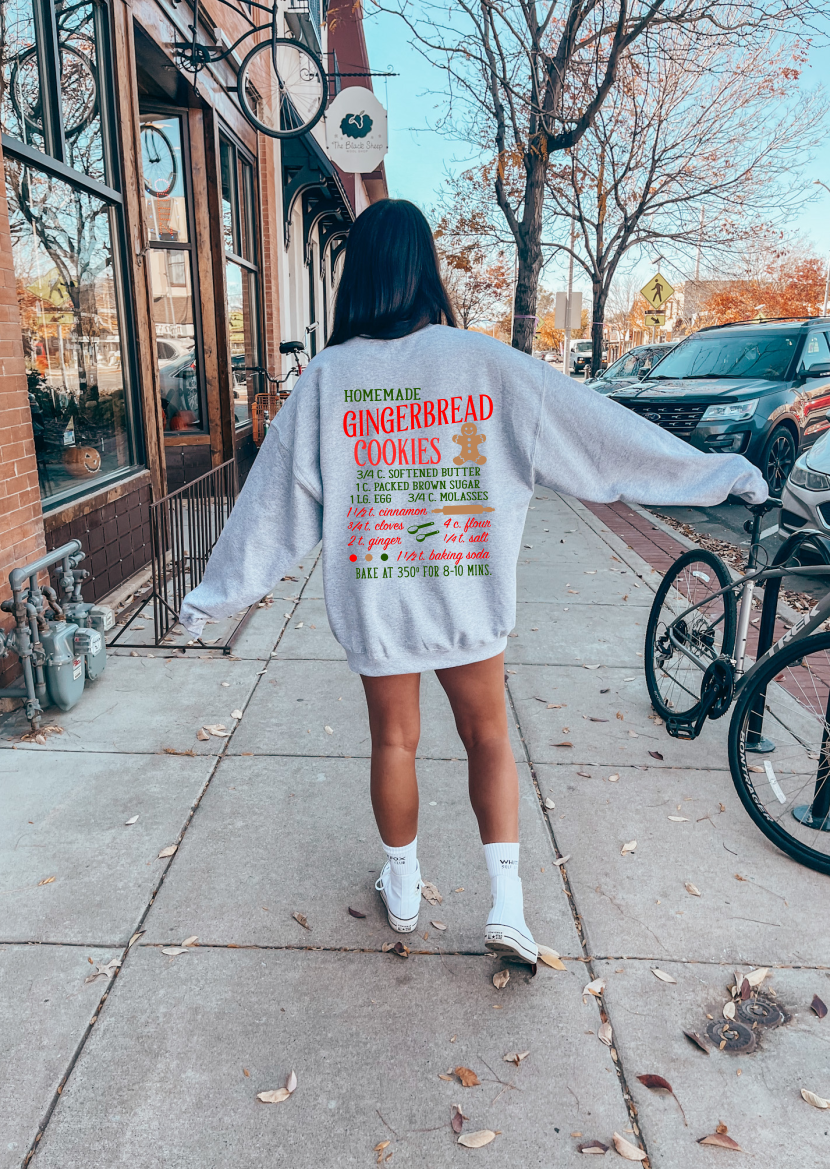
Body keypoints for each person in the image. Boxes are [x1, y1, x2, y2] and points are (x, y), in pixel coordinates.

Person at [179, 199, 768, 965]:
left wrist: (210, 599)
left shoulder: (327, 379)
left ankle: (404, 883)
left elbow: (270, 509)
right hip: (466, 584)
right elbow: (601, 436)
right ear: (426, 269)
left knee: (393, 738)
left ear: (354, 275)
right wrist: (721, 474)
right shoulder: (488, 364)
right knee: (488, 735)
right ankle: (509, 906)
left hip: (377, 589)